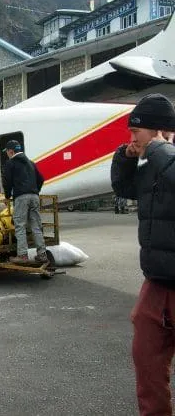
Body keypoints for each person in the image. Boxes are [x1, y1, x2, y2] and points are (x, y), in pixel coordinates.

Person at [110, 93, 175, 416]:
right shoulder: (153, 164)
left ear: (159, 131)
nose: (131, 137)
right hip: (157, 282)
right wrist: (125, 155)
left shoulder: (164, 157)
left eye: (136, 132)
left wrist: (160, 149)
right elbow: (123, 188)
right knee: (146, 359)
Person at [2, 139, 47, 263]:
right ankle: (42, 254)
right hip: (34, 196)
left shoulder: (11, 164)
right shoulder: (31, 163)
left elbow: (7, 182)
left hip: (21, 197)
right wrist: (35, 191)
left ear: (11, 152)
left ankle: (22, 255)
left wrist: (7, 196)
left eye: (7, 152)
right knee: (36, 226)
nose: (7, 154)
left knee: (20, 225)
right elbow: (41, 179)